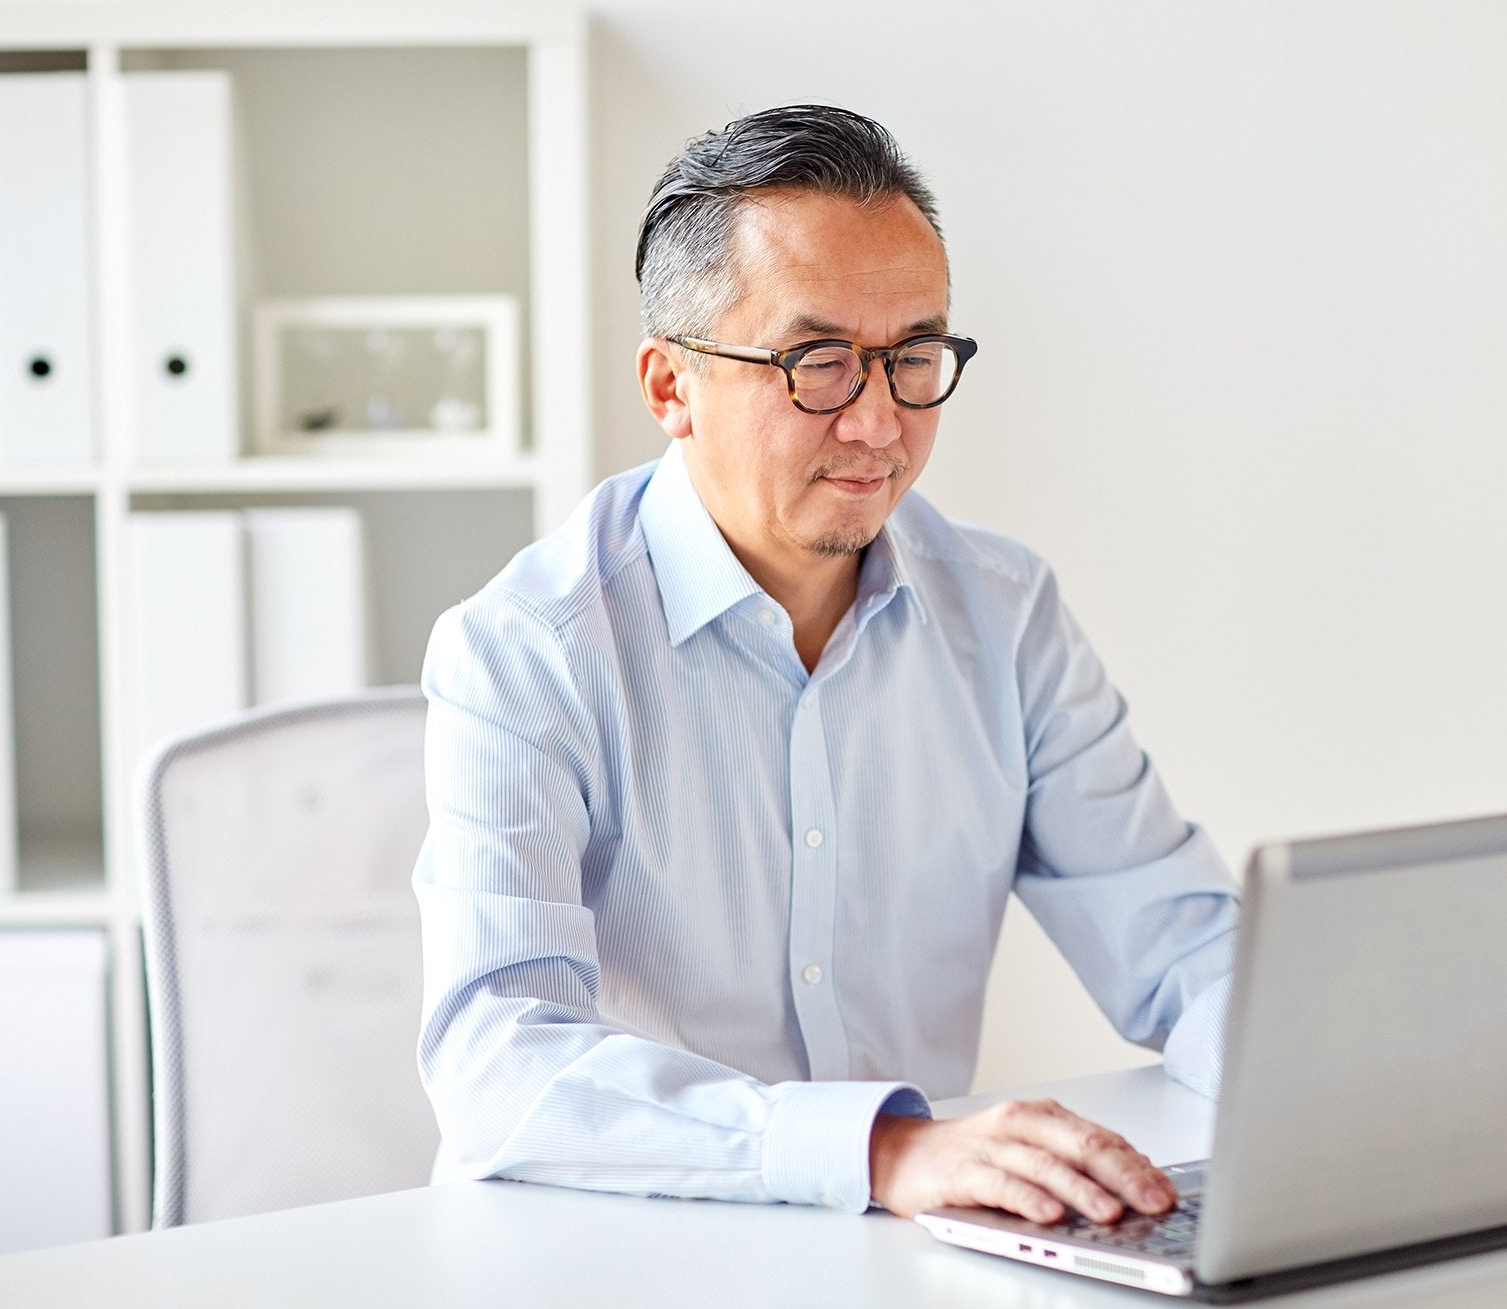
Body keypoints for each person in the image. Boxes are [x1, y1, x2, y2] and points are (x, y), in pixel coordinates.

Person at [414, 104, 1239, 1228]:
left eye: (910, 357)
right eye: (815, 362)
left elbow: (1183, 946)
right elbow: (495, 1059)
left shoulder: (1004, 615)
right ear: (669, 387)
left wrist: (1329, 1076)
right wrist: (879, 1149)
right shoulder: (523, 650)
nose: (877, 424)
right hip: (619, 1249)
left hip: (910, 1256)